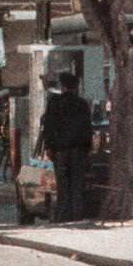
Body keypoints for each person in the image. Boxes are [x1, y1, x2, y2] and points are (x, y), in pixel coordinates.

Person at [41, 73, 93, 222]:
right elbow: (87, 129)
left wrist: (49, 146)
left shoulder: (55, 102)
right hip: (78, 151)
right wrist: (86, 149)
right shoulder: (82, 104)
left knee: (63, 186)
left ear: (63, 86)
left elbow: (49, 126)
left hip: (60, 151)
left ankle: (63, 215)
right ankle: (77, 215)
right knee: (77, 184)